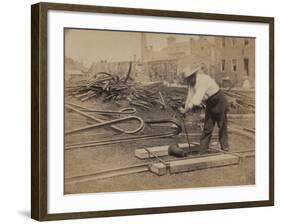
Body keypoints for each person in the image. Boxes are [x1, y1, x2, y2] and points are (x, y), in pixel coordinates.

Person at [179, 64, 229, 153]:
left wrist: (186, 110)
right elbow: (189, 97)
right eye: (186, 80)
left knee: (222, 124)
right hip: (210, 102)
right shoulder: (191, 84)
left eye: (188, 79)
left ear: (193, 76)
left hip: (219, 100)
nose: (188, 82)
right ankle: (202, 150)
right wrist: (185, 110)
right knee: (208, 126)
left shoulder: (203, 80)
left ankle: (225, 147)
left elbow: (197, 100)